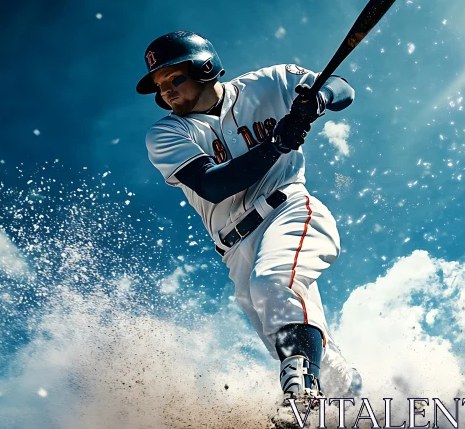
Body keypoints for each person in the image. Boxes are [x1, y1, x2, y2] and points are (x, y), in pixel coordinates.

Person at [137, 31, 362, 408]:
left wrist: (318, 98)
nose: (167, 93)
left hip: (286, 208)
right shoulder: (167, 132)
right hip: (235, 248)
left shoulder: (270, 82)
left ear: (205, 68)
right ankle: (359, 403)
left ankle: (301, 399)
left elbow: (341, 86)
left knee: (273, 284)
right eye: (160, 88)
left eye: (174, 78)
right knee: (311, 354)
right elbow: (212, 184)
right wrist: (277, 143)